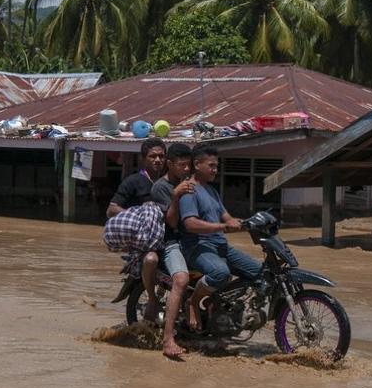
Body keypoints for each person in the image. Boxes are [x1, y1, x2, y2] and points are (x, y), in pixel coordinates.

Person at [178, 144, 262, 329]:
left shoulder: (211, 190)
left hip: (220, 246)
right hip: (197, 247)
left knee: (260, 272)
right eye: (212, 165)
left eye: (217, 166)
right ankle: (192, 302)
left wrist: (249, 223)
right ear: (197, 164)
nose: (215, 170)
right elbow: (190, 224)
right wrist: (224, 226)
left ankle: (218, 302)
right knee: (220, 272)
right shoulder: (188, 190)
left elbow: (227, 218)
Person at [107, 137, 167, 319]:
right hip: (146, 242)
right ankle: (152, 300)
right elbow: (112, 209)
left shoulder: (170, 181)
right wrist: (139, 219)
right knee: (150, 260)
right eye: (152, 156)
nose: (157, 160)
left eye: (161, 156)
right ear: (143, 159)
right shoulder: (133, 181)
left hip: (169, 237)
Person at [149, 143, 195, 360]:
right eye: (182, 165)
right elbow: (172, 222)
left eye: (189, 165)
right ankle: (168, 340)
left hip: (192, 239)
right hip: (171, 241)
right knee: (181, 280)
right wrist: (176, 196)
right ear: (170, 164)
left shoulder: (190, 183)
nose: (186, 169)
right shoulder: (161, 187)